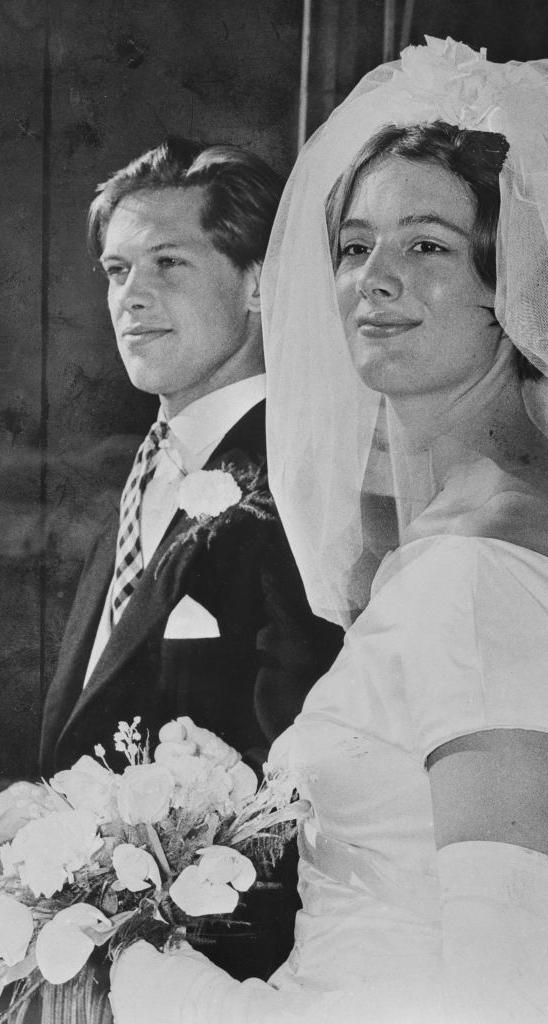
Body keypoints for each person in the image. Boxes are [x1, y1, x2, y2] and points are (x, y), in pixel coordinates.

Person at [109, 39, 548, 1022]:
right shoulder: (513, 521)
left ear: (515, 284)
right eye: (354, 244)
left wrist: (151, 987)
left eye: (425, 245)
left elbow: (517, 998)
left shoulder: (478, 582)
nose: (372, 281)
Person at [1, 137, 341, 979]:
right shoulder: (146, 469)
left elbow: (304, 773)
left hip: (226, 965)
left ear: (259, 282)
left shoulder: (296, 474)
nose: (132, 297)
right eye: (117, 271)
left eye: (168, 263)